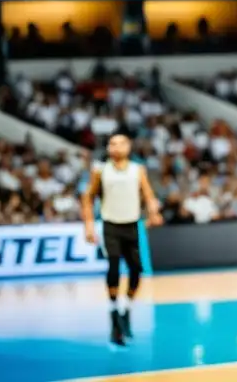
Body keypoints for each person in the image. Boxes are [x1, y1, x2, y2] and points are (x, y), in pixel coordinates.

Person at [82, 132, 163, 346]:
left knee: (136, 269)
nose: (115, 147)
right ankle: (113, 312)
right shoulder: (100, 171)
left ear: (128, 147)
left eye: (120, 143)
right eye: (112, 143)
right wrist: (89, 225)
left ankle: (125, 307)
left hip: (132, 225)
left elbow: (148, 194)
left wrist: (153, 210)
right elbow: (88, 198)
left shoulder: (138, 170)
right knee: (114, 265)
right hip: (111, 225)